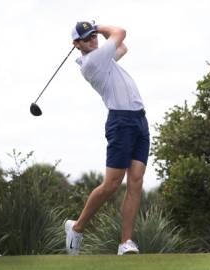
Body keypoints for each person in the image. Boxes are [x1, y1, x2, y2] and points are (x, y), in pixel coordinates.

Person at [65, 21, 150, 256]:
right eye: (87, 37)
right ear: (77, 45)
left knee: (136, 181)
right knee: (112, 184)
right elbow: (121, 32)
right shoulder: (93, 62)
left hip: (139, 121)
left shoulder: (104, 58)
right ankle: (77, 227)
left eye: (94, 36)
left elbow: (123, 46)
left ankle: (126, 243)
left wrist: (97, 31)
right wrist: (99, 25)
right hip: (121, 122)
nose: (93, 39)